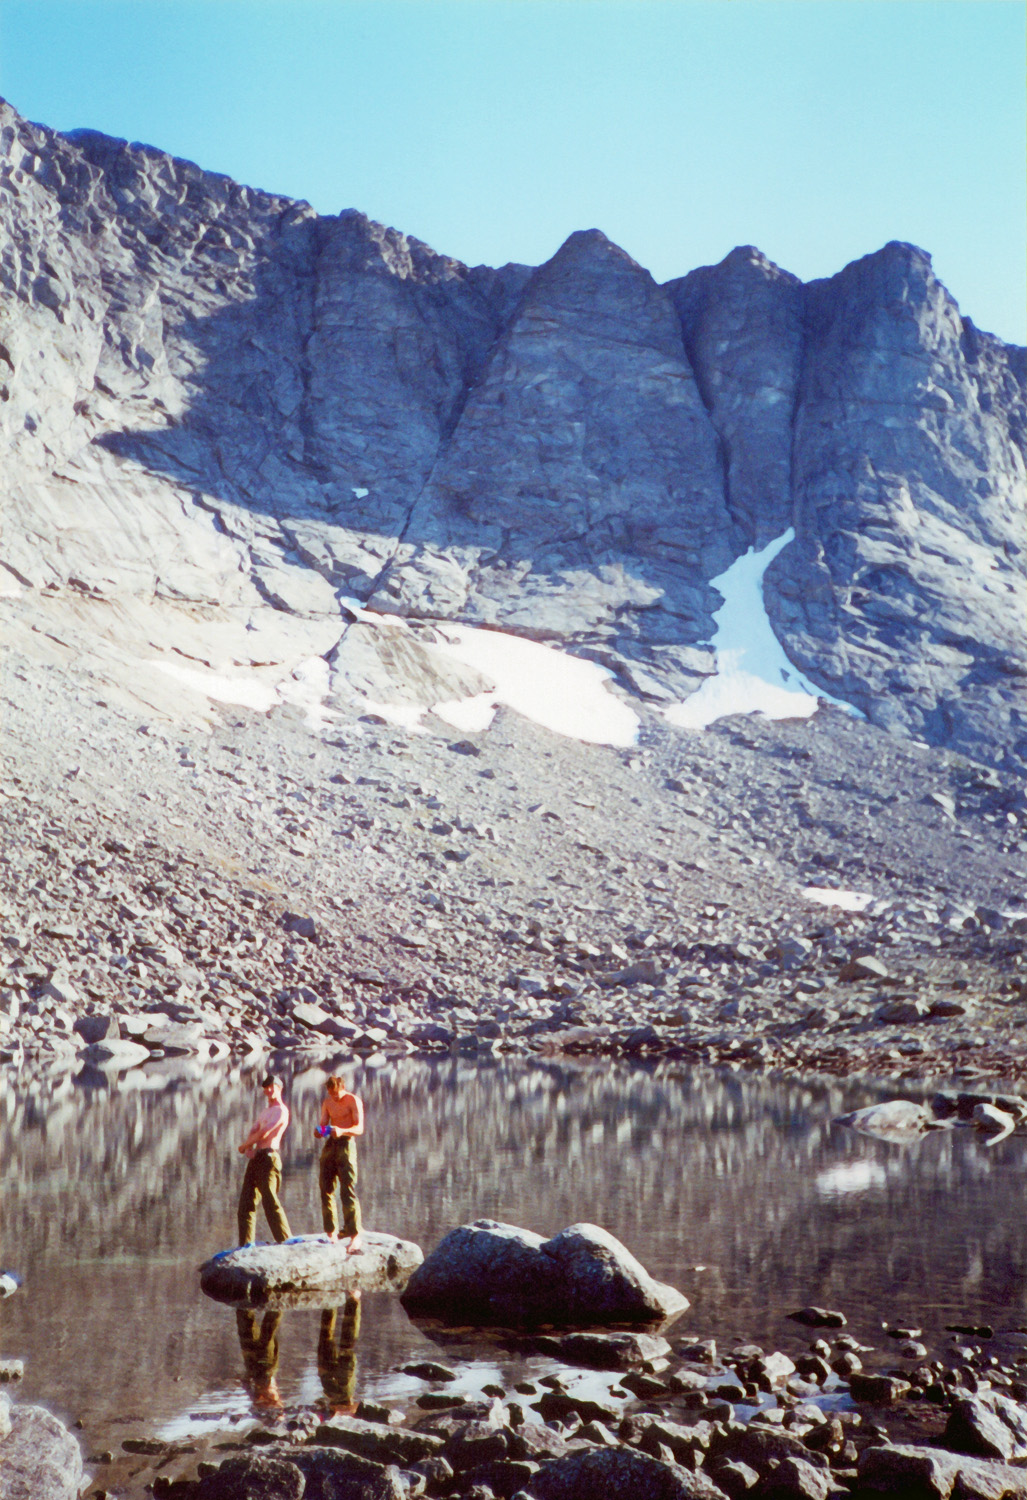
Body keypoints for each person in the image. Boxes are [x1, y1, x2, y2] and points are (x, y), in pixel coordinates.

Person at [237, 1074, 292, 1246]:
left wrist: (244, 1146)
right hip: (257, 1157)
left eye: (272, 1087)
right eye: (266, 1088)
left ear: (279, 1088)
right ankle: (246, 1244)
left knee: (269, 1199)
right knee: (246, 1203)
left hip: (269, 1157)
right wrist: (250, 1148)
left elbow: (265, 1132)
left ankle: (285, 1239)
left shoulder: (281, 1110)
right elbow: (255, 1130)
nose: (269, 1091)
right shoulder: (265, 1111)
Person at [316, 1074, 363, 1253]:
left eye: (336, 1093)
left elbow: (359, 1128)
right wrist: (319, 1131)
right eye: (331, 1093)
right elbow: (323, 1123)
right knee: (326, 1187)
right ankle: (331, 1233)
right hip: (331, 1144)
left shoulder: (353, 1100)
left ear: (342, 1087)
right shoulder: (327, 1103)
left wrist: (342, 1130)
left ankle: (354, 1235)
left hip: (346, 1144)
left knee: (347, 1189)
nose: (334, 1097)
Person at [317, 1292, 361, 1415]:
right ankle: (341, 1299)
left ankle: (346, 1298)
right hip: (334, 1389)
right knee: (329, 1340)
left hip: (339, 1390)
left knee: (343, 1346)